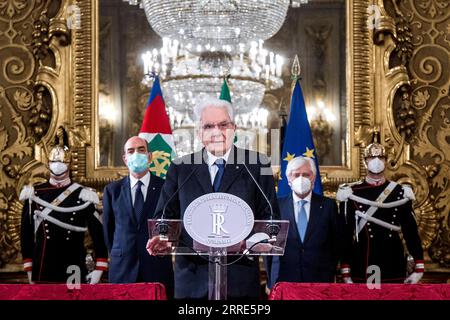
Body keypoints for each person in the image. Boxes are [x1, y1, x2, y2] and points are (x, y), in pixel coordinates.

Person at [147, 97, 280, 299]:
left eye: (223, 125)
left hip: (239, 278)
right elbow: (163, 215)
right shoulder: (181, 167)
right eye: (208, 126)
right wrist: (163, 236)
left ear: (234, 128)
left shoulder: (256, 165)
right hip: (192, 279)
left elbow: (270, 217)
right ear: (199, 133)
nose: (217, 132)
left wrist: (250, 241)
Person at [19, 127, 108, 284]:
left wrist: (99, 268)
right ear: (48, 163)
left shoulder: (83, 194)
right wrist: (29, 268)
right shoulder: (34, 194)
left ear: (69, 163)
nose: (57, 165)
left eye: (61, 161)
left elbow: (98, 235)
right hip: (43, 266)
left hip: (74, 265)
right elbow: (26, 235)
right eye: (54, 161)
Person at [336, 134, 424, 284]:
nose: (376, 161)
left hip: (393, 260)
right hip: (363, 260)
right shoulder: (351, 192)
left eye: (381, 158)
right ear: (364, 161)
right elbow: (345, 234)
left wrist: (419, 266)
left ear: (386, 160)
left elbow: (411, 231)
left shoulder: (400, 192)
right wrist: (345, 269)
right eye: (371, 158)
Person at [102, 136, 174, 297]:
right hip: (122, 268)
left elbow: (171, 223)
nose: (136, 154)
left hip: (157, 266)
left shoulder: (166, 188)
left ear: (150, 156)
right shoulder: (112, 191)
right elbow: (108, 230)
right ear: (125, 158)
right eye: (131, 151)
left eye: (141, 150)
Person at [268, 156, 343, 288]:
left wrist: (330, 272)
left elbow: (336, 244)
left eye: (306, 174)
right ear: (288, 179)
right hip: (285, 281)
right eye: (296, 175)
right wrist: (272, 280)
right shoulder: (277, 206)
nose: (301, 179)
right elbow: (271, 249)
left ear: (313, 177)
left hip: (320, 282)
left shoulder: (328, 206)